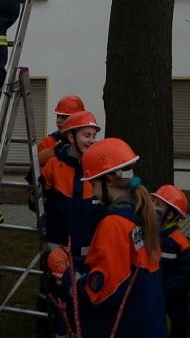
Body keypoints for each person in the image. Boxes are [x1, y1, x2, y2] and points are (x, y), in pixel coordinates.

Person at [60, 137, 167, 338]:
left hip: (125, 327)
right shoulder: (142, 215)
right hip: (148, 322)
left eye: (93, 184)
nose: (92, 192)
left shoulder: (114, 224)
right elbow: (124, 263)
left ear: (107, 180)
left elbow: (102, 292)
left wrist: (69, 280)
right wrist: (81, 263)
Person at [37, 110, 103, 336]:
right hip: (58, 249)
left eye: (94, 136)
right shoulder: (53, 166)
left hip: (88, 253)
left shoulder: (97, 168)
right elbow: (37, 203)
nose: (91, 141)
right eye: (87, 135)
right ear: (71, 136)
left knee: (84, 301)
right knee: (58, 300)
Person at [151, 185, 190, 338]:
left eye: (158, 204)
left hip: (172, 307)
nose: (152, 207)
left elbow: (183, 279)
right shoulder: (153, 238)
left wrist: (159, 291)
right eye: (153, 201)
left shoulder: (179, 243)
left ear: (169, 215)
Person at [38, 95, 85, 167]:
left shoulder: (86, 143)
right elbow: (35, 172)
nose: (58, 121)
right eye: (58, 116)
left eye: (64, 117)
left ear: (77, 118)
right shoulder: (47, 142)